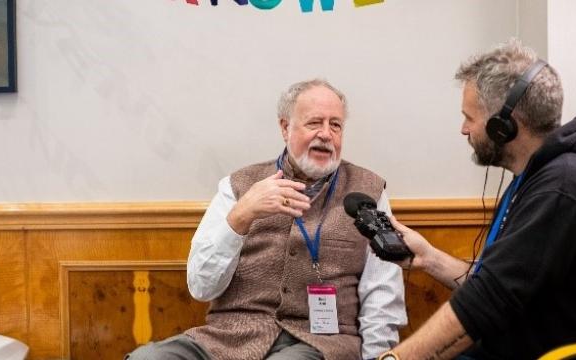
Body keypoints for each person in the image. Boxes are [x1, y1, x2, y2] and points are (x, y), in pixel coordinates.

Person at [377, 40, 576, 360]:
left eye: (470, 117)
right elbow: (498, 281)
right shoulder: (536, 176)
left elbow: (488, 300)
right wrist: (428, 257)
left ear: (503, 126)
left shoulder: (562, 188)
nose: (463, 129)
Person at [126, 79, 406, 360]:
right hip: (229, 340)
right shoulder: (238, 186)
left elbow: (382, 291)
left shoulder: (367, 191)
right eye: (314, 123)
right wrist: (242, 215)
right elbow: (201, 287)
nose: (326, 134)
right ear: (285, 127)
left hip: (321, 345)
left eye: (336, 125)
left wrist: (377, 358)